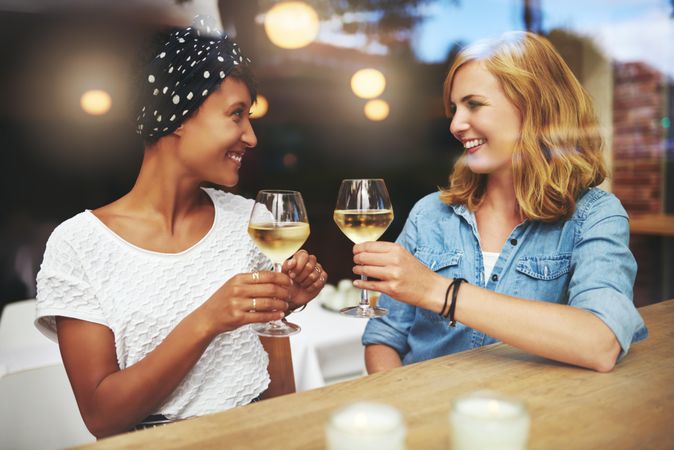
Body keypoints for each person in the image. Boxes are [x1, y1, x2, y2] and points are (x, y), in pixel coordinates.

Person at [34, 17, 327, 437]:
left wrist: (279, 308)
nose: (251, 136)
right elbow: (101, 416)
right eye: (236, 115)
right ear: (176, 117)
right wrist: (208, 318)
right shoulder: (78, 245)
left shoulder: (249, 221)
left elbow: (275, 382)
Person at [358, 31, 647, 375]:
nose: (455, 124)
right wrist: (405, 411)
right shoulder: (429, 214)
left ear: (534, 107)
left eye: (474, 104)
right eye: (454, 108)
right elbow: (383, 337)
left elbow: (600, 343)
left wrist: (436, 290)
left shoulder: (594, 217)